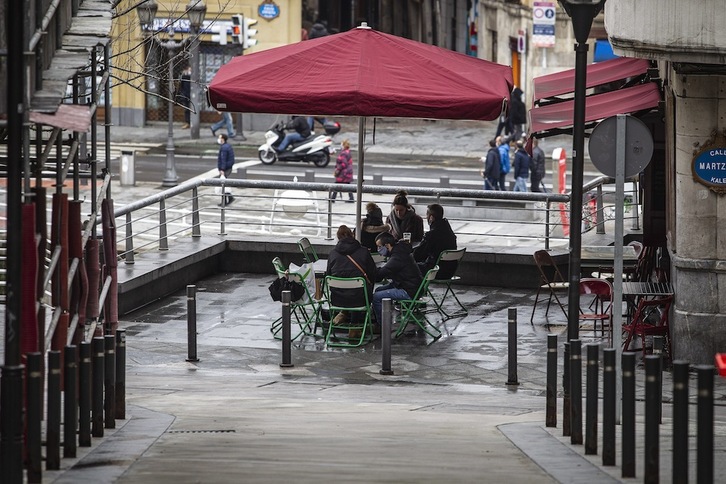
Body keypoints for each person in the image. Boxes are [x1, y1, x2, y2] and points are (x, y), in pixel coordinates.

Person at [326, 225, 377, 335]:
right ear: (352, 235)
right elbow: (373, 274)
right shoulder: (363, 251)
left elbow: (328, 274)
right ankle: (354, 325)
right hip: (360, 298)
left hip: (337, 299)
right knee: (360, 289)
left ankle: (343, 313)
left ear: (338, 238)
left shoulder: (333, 253)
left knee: (350, 289)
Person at [372, 232, 423, 326]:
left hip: (409, 290)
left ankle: (382, 325)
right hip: (411, 286)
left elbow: (380, 275)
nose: (378, 250)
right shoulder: (400, 251)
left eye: (379, 247)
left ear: (387, 245)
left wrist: (370, 270)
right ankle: (385, 317)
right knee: (379, 290)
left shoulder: (397, 257)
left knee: (376, 297)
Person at [413, 203, 458, 280]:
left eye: (427, 215)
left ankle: (412, 291)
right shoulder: (449, 232)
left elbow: (418, 255)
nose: (426, 217)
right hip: (450, 271)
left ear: (431, 217)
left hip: (435, 271)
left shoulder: (432, 235)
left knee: (407, 267)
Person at [217, 133, 235, 206]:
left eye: (220, 138)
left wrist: (222, 169)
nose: (218, 139)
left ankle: (225, 201)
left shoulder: (224, 148)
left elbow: (223, 159)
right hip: (228, 167)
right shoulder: (227, 146)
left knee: (223, 185)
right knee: (224, 184)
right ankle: (229, 198)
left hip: (225, 168)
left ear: (223, 139)